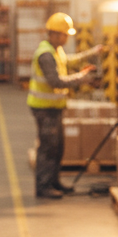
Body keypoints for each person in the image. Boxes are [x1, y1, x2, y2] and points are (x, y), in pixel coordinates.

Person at [26, 13, 102, 198]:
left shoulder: (55, 50)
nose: (67, 38)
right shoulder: (45, 54)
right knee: (47, 147)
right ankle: (43, 187)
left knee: (58, 146)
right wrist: (81, 79)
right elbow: (55, 81)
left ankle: (54, 181)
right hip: (44, 108)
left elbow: (69, 60)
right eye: (65, 34)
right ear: (55, 34)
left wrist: (91, 53)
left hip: (54, 108)